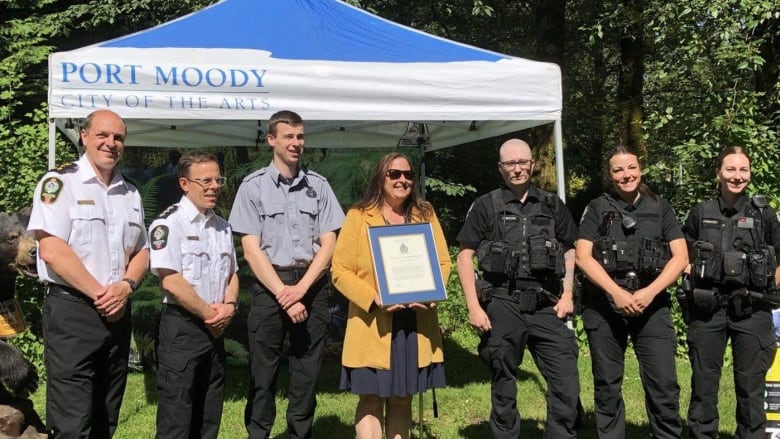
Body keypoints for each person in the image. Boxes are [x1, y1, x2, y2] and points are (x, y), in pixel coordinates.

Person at [27, 109, 149, 438]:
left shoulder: (131, 193)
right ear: (84, 136)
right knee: (71, 420)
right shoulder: (60, 183)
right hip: (73, 313)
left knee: (106, 415)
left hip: (118, 313)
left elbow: (143, 251)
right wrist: (102, 295)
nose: (111, 143)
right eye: (103, 135)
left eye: (118, 137)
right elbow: (51, 250)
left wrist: (125, 286)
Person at [228, 110, 345, 438]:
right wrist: (284, 293)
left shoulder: (319, 187)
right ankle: (258, 433)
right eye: (289, 137)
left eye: (300, 137)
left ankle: (299, 434)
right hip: (269, 287)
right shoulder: (252, 188)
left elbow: (329, 244)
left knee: (306, 375)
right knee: (262, 376)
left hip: (312, 286)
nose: (296, 143)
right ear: (271, 140)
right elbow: (251, 251)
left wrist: (302, 289)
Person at [455, 139, 580, 438]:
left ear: (532, 164)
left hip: (546, 304)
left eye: (522, 162)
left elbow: (569, 250)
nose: (517, 168)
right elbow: (464, 255)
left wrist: (567, 295)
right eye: (510, 163)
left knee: (566, 382)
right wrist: (473, 306)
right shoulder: (486, 205)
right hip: (502, 302)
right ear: (500, 168)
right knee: (504, 383)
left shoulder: (551, 205)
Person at [331, 153, 452, 439]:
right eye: (394, 174)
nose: (402, 180)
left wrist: (434, 291)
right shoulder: (359, 216)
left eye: (408, 175)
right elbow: (339, 269)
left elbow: (443, 263)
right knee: (371, 398)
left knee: (402, 398)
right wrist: (375, 299)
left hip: (414, 323)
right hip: (374, 323)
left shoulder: (425, 214)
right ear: (380, 178)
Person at [575, 145, 688, 438]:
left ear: (640, 169)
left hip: (652, 305)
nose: (626, 175)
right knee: (607, 384)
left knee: (663, 385)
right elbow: (583, 256)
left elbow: (680, 257)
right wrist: (616, 292)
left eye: (631, 168)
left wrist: (650, 292)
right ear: (610, 175)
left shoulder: (660, 207)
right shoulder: (596, 208)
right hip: (604, 305)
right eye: (618, 170)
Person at [682, 146, 780, 438]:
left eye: (743, 170)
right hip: (708, 309)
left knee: (751, 388)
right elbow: (683, 256)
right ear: (718, 174)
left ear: (750, 174)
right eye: (731, 170)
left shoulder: (765, 214)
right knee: (703, 385)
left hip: (753, 310)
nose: (737, 177)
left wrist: (771, 287)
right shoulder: (700, 212)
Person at [149, 151, 239, 439]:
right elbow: (171, 281)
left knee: (209, 412)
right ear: (185, 184)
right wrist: (209, 313)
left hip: (216, 327)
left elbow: (232, 274)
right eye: (206, 181)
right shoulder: (168, 224)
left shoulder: (221, 226)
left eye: (218, 179)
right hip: (183, 329)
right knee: (177, 415)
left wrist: (230, 306)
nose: (214, 186)